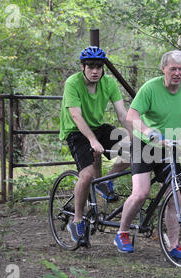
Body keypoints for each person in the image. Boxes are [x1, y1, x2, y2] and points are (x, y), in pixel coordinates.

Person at [114, 50, 181, 263]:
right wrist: (149, 132)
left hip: (170, 144)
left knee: (174, 196)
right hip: (145, 142)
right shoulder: (150, 88)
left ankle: (174, 246)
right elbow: (132, 116)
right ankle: (122, 233)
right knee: (141, 193)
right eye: (173, 68)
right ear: (163, 68)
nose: (177, 73)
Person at [59, 46, 131, 242]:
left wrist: (135, 137)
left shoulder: (108, 83)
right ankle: (77, 220)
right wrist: (92, 140)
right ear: (82, 66)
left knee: (135, 152)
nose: (95, 70)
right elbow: (75, 115)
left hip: (99, 127)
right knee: (87, 175)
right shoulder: (73, 83)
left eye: (98, 66)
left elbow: (122, 114)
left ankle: (105, 182)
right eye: (90, 66)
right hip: (76, 131)